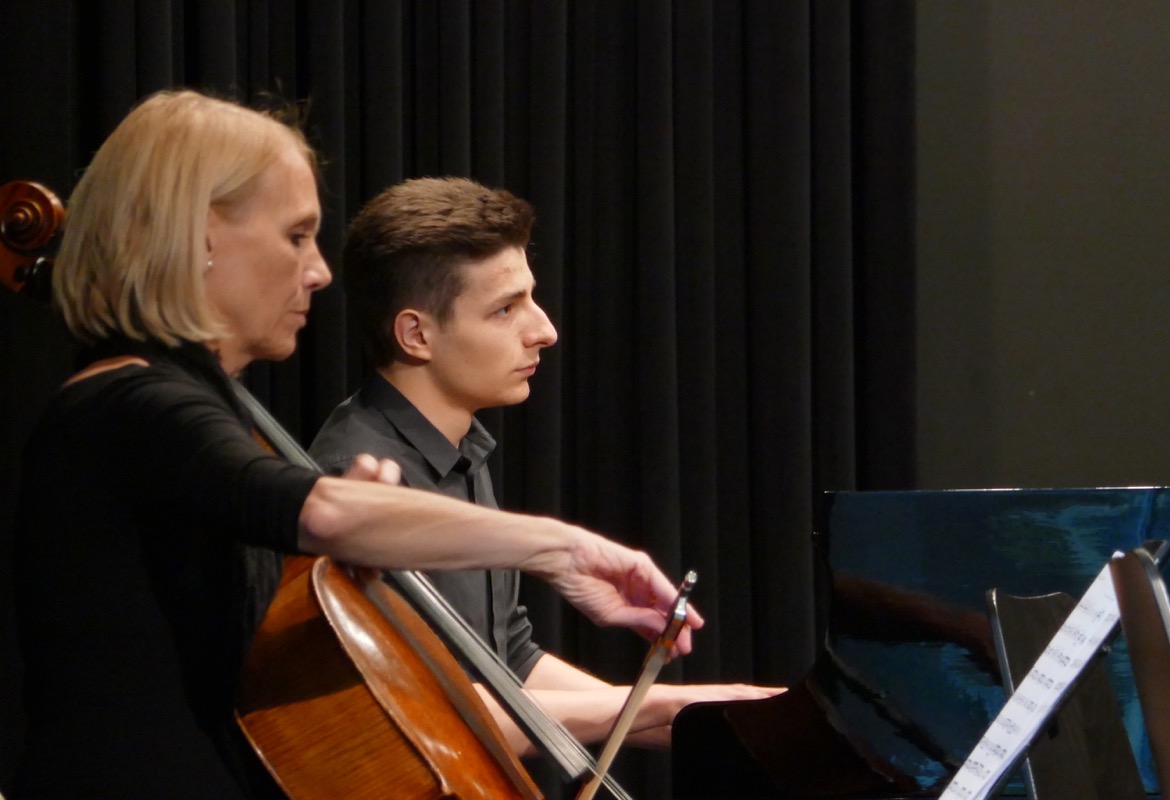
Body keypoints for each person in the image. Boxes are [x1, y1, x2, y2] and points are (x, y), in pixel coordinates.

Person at [11, 90, 703, 799]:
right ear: (200, 237)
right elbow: (318, 511)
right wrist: (561, 549)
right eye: (296, 236)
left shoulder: (187, 408)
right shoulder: (130, 404)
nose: (319, 271)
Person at [308, 177, 781, 757]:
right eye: (505, 309)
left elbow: (508, 661)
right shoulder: (359, 480)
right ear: (416, 334)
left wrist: (719, 723)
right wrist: (661, 707)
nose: (545, 331)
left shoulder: (459, 450)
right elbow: (417, 711)